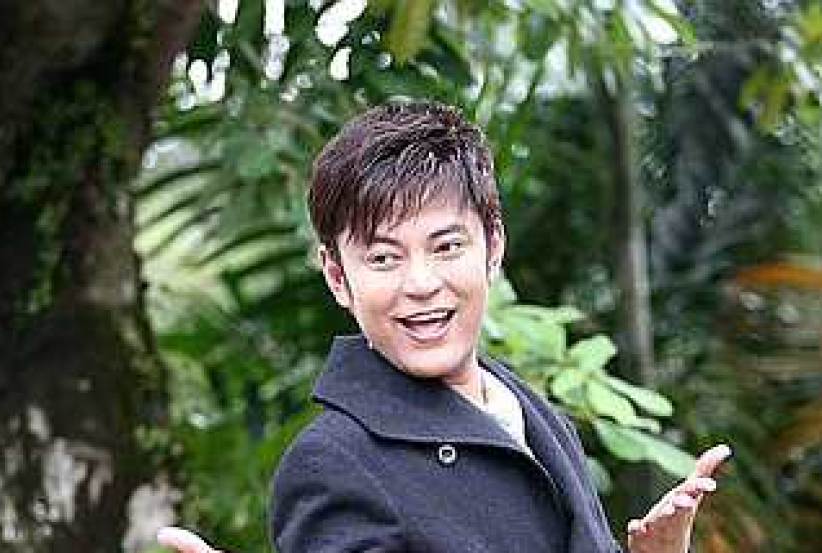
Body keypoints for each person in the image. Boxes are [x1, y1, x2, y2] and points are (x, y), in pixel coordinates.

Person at [157, 100, 731, 553]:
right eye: (384, 257)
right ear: (337, 277)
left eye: (447, 246)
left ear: (493, 246)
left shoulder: (530, 412)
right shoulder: (332, 464)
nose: (421, 283)